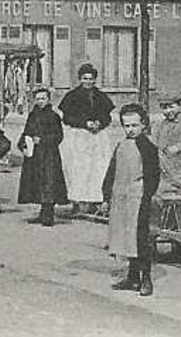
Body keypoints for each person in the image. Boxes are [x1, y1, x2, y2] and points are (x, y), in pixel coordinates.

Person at [103, 104, 161, 296]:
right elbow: (112, 171)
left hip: (138, 199)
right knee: (125, 238)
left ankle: (146, 279)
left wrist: (147, 196)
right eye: (126, 126)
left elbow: (153, 176)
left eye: (134, 125)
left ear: (143, 125)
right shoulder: (121, 145)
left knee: (140, 239)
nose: (130, 129)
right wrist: (106, 196)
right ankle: (132, 277)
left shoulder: (148, 148)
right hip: (121, 198)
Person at [58, 64, 114, 214]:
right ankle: (77, 201)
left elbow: (107, 116)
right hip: (79, 137)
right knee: (78, 169)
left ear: (95, 80)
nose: (88, 82)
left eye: (91, 79)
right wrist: (85, 123)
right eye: (85, 79)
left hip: (97, 138)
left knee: (97, 168)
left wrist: (100, 123)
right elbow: (67, 117)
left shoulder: (101, 96)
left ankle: (95, 200)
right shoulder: (72, 96)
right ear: (80, 79)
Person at [16, 85, 67, 226]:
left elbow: (58, 136)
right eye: (38, 99)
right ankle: (42, 212)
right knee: (37, 183)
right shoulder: (33, 115)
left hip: (49, 155)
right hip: (35, 155)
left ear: (49, 100)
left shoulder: (54, 116)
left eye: (43, 98)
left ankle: (48, 215)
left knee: (49, 183)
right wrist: (22, 143)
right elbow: (27, 130)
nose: (40, 101)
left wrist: (43, 140)